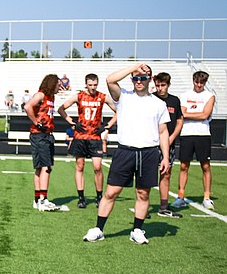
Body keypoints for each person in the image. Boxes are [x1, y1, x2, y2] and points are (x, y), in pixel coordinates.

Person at [83, 63, 170, 245]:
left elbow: (163, 132)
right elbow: (110, 80)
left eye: (142, 78)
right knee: (111, 192)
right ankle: (99, 228)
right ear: (132, 79)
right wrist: (135, 67)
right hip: (125, 151)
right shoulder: (123, 97)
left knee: (143, 194)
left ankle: (137, 229)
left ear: (150, 80)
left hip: (148, 152)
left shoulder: (159, 104)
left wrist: (166, 157)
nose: (139, 81)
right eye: (136, 78)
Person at [56, 73, 116, 209]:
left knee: (97, 167)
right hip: (80, 136)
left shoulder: (102, 97)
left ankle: (99, 196)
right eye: (90, 85)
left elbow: (119, 110)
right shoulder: (79, 96)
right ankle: (81, 197)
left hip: (95, 137)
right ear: (86, 84)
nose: (93, 88)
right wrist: (72, 122)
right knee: (80, 166)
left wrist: (107, 126)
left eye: (95, 85)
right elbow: (61, 109)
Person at [173, 70, 216, 211]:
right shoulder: (185, 95)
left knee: (205, 166)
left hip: (203, 135)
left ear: (205, 83)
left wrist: (191, 114)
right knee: (184, 166)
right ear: (193, 81)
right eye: (197, 82)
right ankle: (180, 197)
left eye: (202, 82)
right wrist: (196, 114)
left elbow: (205, 115)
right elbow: (182, 113)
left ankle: (207, 197)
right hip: (186, 134)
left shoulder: (210, 96)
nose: (199, 85)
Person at [25, 74, 62, 211]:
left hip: (45, 135)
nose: (60, 86)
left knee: (40, 167)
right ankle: (43, 199)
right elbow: (28, 106)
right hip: (39, 135)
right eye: (58, 84)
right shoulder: (41, 95)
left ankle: (38, 199)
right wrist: (37, 123)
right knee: (46, 166)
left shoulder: (51, 97)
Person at [152, 72, 184, 217]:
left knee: (166, 173)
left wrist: (170, 138)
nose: (160, 88)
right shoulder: (151, 98)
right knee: (146, 173)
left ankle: (164, 205)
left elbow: (179, 121)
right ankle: (143, 205)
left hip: (168, 143)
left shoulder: (174, 101)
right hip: (151, 143)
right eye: (158, 85)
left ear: (168, 85)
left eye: (163, 85)